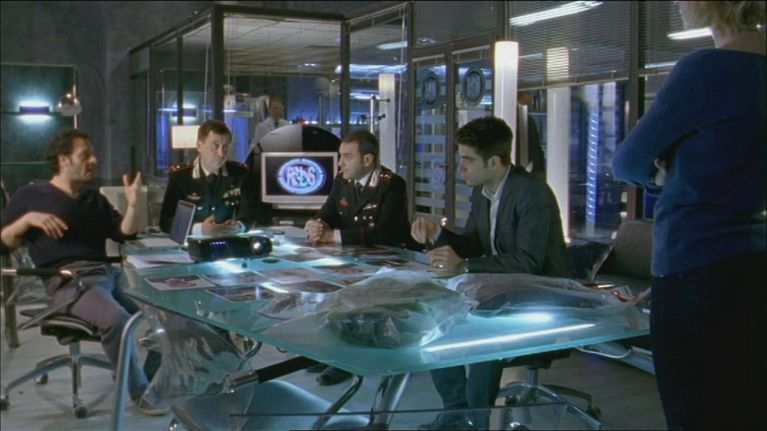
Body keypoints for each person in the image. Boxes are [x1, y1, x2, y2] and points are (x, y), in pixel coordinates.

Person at [611, 2, 766, 429]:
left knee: (693, 411)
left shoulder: (705, 69)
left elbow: (627, 162)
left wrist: (663, 174)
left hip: (693, 266)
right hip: (753, 264)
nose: (677, 3)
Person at [410, 116, 570, 430]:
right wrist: (438, 234)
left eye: (468, 160)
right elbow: (474, 244)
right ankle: (456, 414)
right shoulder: (483, 192)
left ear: (494, 162)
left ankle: (475, 420)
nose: (461, 168)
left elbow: (529, 262)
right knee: (435, 312)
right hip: (501, 287)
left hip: (542, 292)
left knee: (480, 328)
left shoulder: (532, 193)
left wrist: (464, 266)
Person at [0, 128, 165, 416]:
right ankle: (139, 392)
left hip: (109, 274)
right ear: (64, 160)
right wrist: (27, 220)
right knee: (117, 320)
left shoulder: (94, 199)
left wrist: (134, 204)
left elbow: (123, 233)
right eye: (85, 155)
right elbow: (4, 241)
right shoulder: (30, 196)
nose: (94, 160)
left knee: (165, 312)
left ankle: (149, 380)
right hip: (68, 281)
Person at [304, 129, 414, 386]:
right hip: (351, 259)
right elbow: (328, 212)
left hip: (384, 261)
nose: (340, 163)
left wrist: (333, 236)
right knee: (328, 297)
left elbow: (386, 232)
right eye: (340, 156)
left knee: (354, 304)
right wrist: (315, 224)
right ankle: (331, 353)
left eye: (347, 156)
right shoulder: (342, 180)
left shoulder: (392, 184)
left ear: (367, 159)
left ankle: (344, 361)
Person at [160, 119, 269, 235]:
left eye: (225, 147)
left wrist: (238, 226)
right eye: (215, 146)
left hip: (227, 238)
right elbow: (166, 222)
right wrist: (199, 229)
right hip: (191, 242)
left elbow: (250, 215)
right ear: (199, 146)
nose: (221, 154)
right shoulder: (181, 177)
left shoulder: (240, 175)